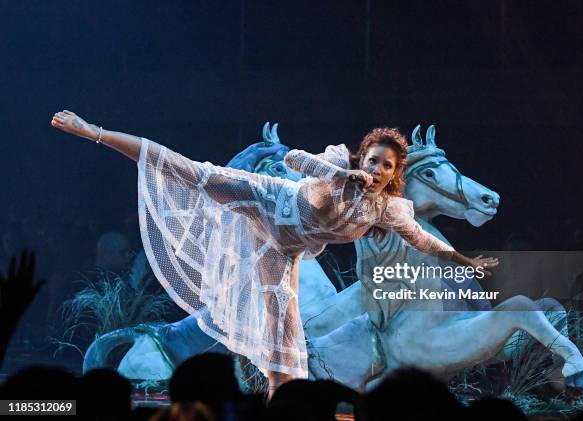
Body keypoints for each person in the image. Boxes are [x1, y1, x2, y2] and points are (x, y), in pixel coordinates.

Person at [50, 110, 498, 395]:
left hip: (279, 253)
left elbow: (427, 242)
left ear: (395, 174)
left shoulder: (391, 209)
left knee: (287, 357)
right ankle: (95, 131)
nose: (377, 169)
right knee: (187, 171)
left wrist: (466, 263)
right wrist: (340, 175)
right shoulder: (339, 166)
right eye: (372, 160)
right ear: (362, 159)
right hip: (265, 199)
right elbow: (296, 161)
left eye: (387, 165)